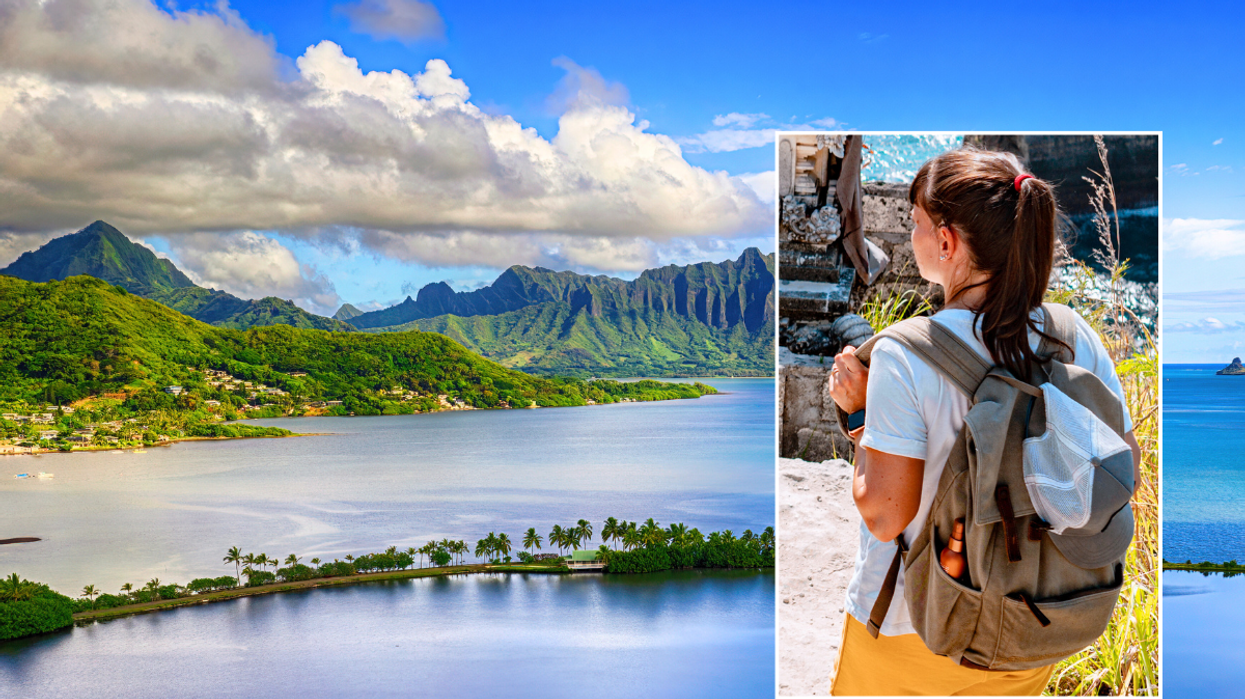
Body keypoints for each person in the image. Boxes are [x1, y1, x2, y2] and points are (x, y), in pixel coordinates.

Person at [825, 147, 1142, 696]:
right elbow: (1121, 466)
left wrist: (861, 412)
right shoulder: (1072, 336)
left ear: (946, 242)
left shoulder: (904, 355)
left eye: (917, 223)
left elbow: (886, 513)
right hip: (1038, 618)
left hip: (917, 624)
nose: (914, 233)